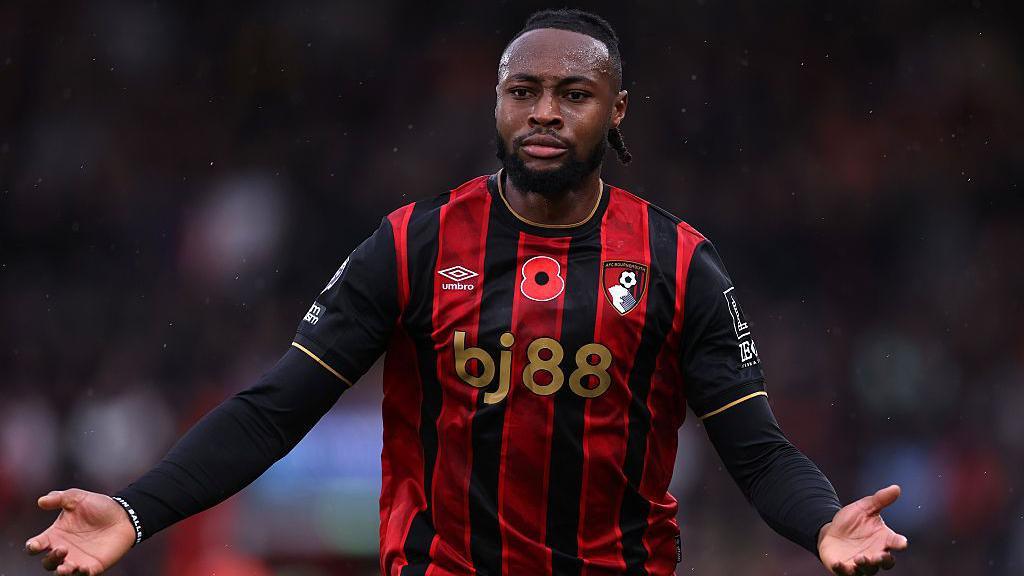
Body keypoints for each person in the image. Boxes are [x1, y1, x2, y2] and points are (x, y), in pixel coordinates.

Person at [25, 9, 908, 576]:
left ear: (619, 111)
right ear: (496, 104)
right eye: (524, 92)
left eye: (574, 93)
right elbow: (275, 408)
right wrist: (136, 511)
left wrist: (824, 524)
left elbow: (754, 450)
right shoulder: (412, 243)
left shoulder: (680, 262)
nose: (546, 113)